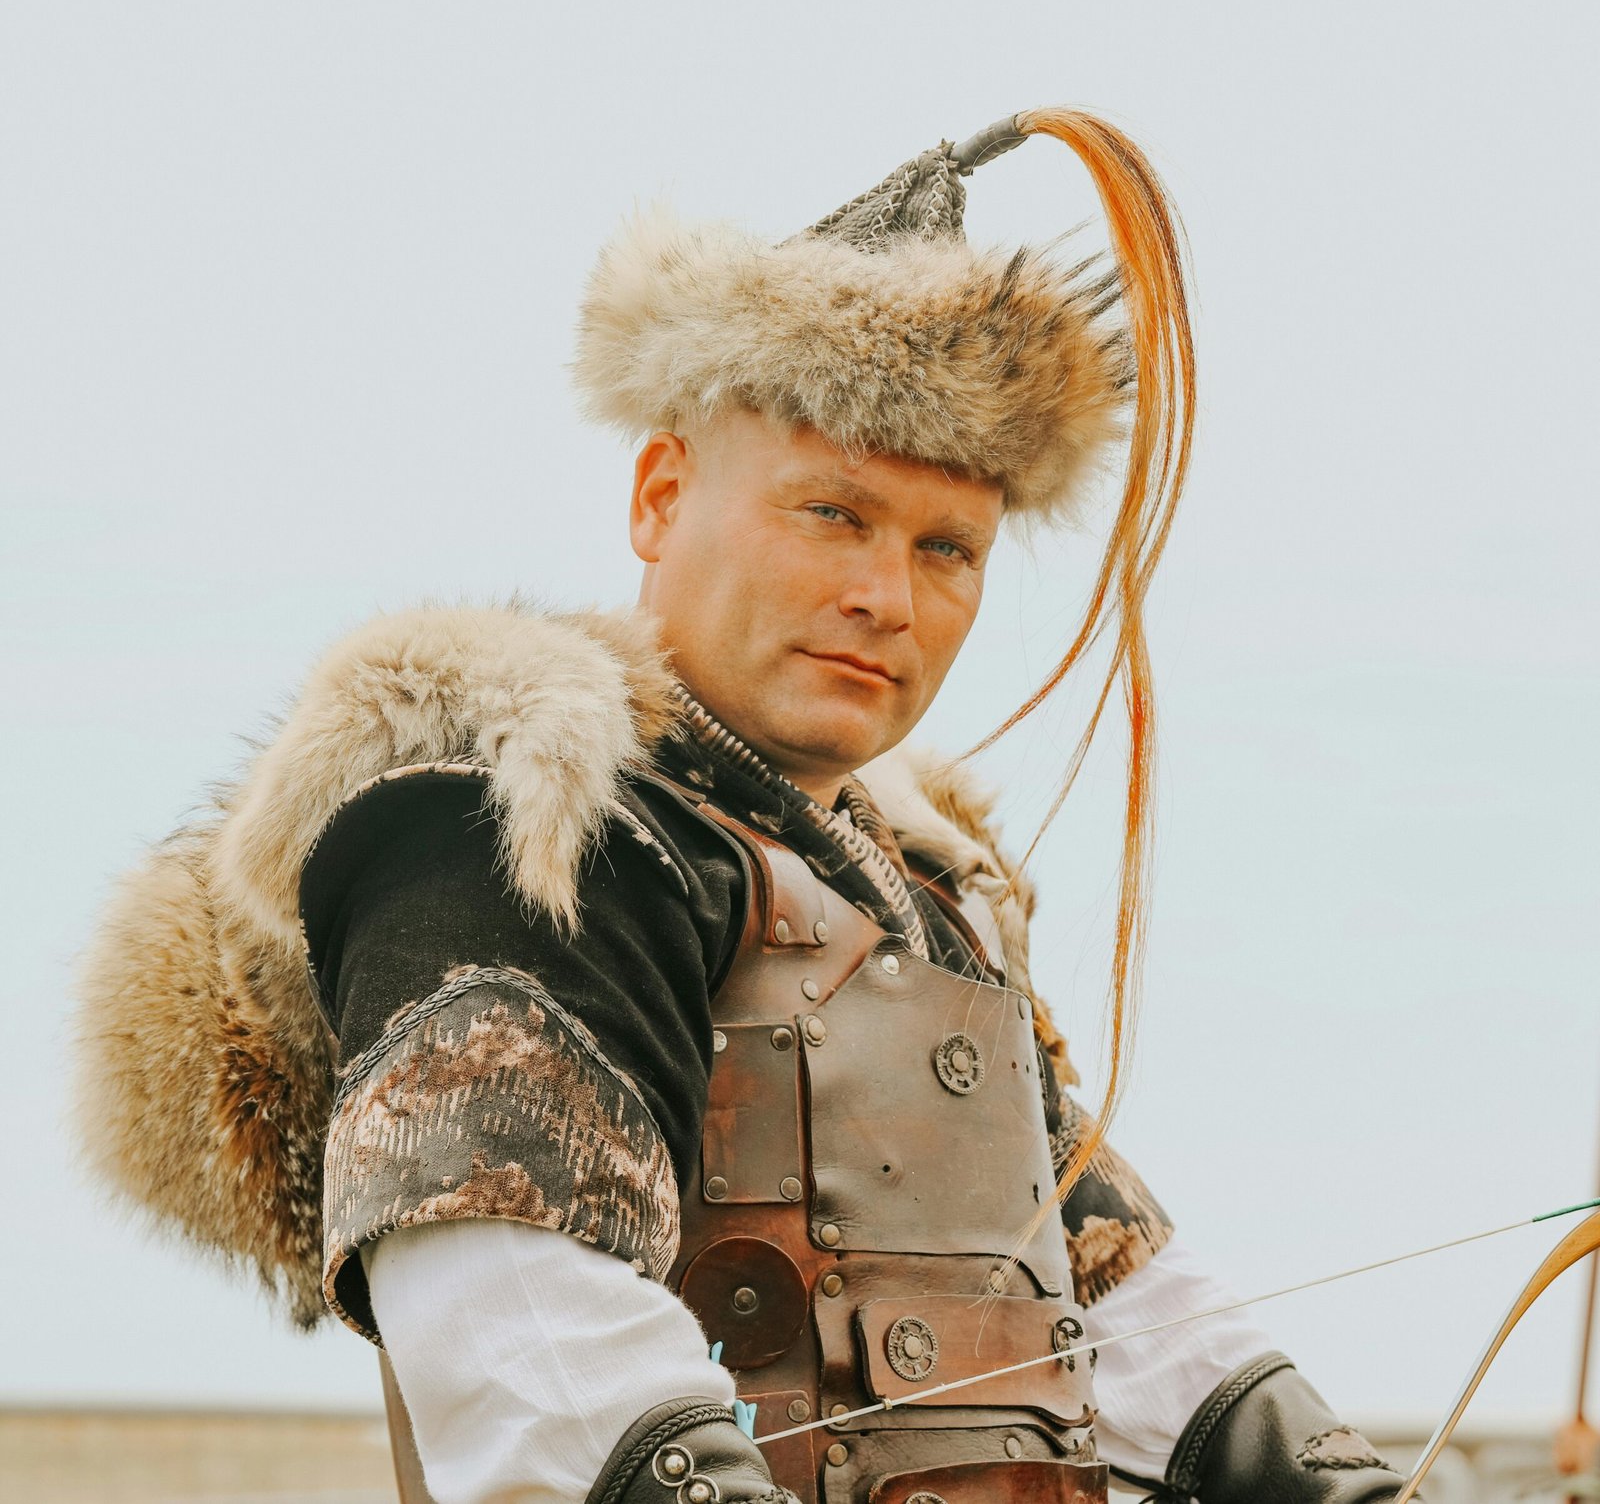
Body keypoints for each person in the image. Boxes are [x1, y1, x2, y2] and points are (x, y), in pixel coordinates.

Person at [74, 107, 1417, 1504]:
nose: (886, 599)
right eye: (832, 514)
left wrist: (1337, 1484)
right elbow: (529, 1336)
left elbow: (1112, 1293)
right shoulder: (522, 831)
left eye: (946, 546)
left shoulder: (925, 897)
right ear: (662, 495)